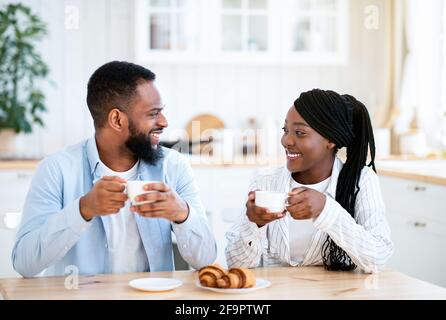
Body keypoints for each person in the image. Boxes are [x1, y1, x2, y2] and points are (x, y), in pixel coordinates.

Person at [12, 61, 217, 277]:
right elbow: (25, 264)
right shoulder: (56, 169)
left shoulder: (174, 166)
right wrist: (83, 210)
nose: (164, 122)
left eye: (161, 111)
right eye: (153, 113)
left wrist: (182, 214)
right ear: (117, 120)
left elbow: (206, 259)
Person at [226, 89, 393, 273]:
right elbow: (236, 265)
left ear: (330, 140)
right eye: (285, 130)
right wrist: (254, 225)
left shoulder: (361, 181)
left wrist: (326, 210)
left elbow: (378, 259)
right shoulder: (265, 182)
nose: (286, 140)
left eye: (299, 132)